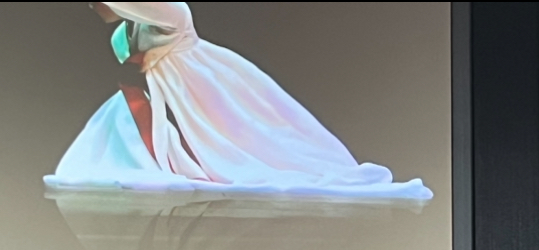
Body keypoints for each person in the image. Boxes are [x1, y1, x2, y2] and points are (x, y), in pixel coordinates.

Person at [46, 2, 431, 199]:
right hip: (157, 94)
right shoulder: (130, 28)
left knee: (245, 140)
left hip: (193, 87)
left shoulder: (171, 11)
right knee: (113, 135)